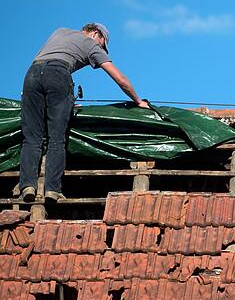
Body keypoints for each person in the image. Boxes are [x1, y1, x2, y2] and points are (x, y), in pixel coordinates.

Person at [17, 23, 148, 202]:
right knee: (57, 137)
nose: (101, 48)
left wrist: (66, 102)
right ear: (96, 34)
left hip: (31, 75)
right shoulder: (90, 44)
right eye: (103, 44)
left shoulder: (60, 31)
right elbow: (121, 80)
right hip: (58, 74)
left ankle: (27, 186)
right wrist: (139, 101)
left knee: (31, 137)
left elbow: (45, 69)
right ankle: (52, 190)